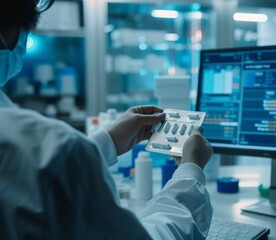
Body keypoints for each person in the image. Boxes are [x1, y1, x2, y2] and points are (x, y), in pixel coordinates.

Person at [0, 0, 214, 239]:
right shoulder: (51, 148)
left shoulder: (38, 147)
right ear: (10, 33)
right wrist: (191, 170)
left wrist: (108, 142)